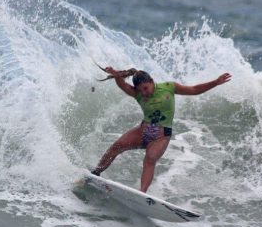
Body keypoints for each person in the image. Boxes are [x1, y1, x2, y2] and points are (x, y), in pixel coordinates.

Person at [91, 67, 232, 193]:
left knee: (150, 159)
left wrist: (215, 82)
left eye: (145, 88)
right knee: (117, 146)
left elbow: (194, 90)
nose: (144, 92)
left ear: (152, 81)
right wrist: (116, 75)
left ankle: (142, 193)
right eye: (140, 90)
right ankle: (95, 173)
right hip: (143, 131)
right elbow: (123, 85)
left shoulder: (169, 87)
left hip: (161, 136)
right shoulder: (138, 94)